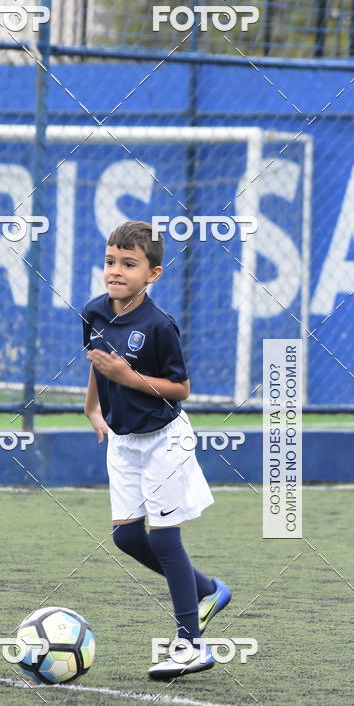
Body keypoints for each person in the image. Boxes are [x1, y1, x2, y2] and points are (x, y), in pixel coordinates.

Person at [82, 220, 232, 679]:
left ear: (153, 274)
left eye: (129, 264)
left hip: (165, 438)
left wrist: (129, 378)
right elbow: (97, 363)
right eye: (111, 261)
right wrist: (91, 408)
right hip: (123, 441)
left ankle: (192, 646)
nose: (116, 271)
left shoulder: (160, 325)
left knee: (165, 538)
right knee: (127, 538)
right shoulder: (92, 311)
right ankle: (206, 590)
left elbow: (181, 389)